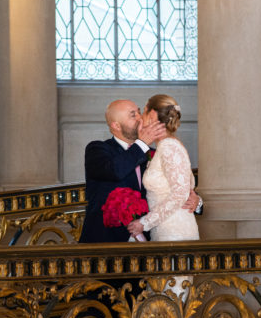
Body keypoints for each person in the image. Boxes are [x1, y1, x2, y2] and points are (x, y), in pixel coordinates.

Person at [79, 99, 201, 243]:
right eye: (133, 115)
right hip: (108, 242)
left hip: (148, 239)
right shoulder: (97, 149)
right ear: (116, 125)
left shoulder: (155, 153)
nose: (140, 117)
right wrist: (142, 144)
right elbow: (115, 171)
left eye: (139, 112)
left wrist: (196, 201)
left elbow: (175, 186)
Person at [127, 94, 199, 297]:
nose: (140, 117)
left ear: (152, 114)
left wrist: (144, 223)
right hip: (164, 229)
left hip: (175, 231)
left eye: (143, 111)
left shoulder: (169, 146)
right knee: (161, 303)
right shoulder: (165, 146)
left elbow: (179, 193)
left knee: (170, 302)